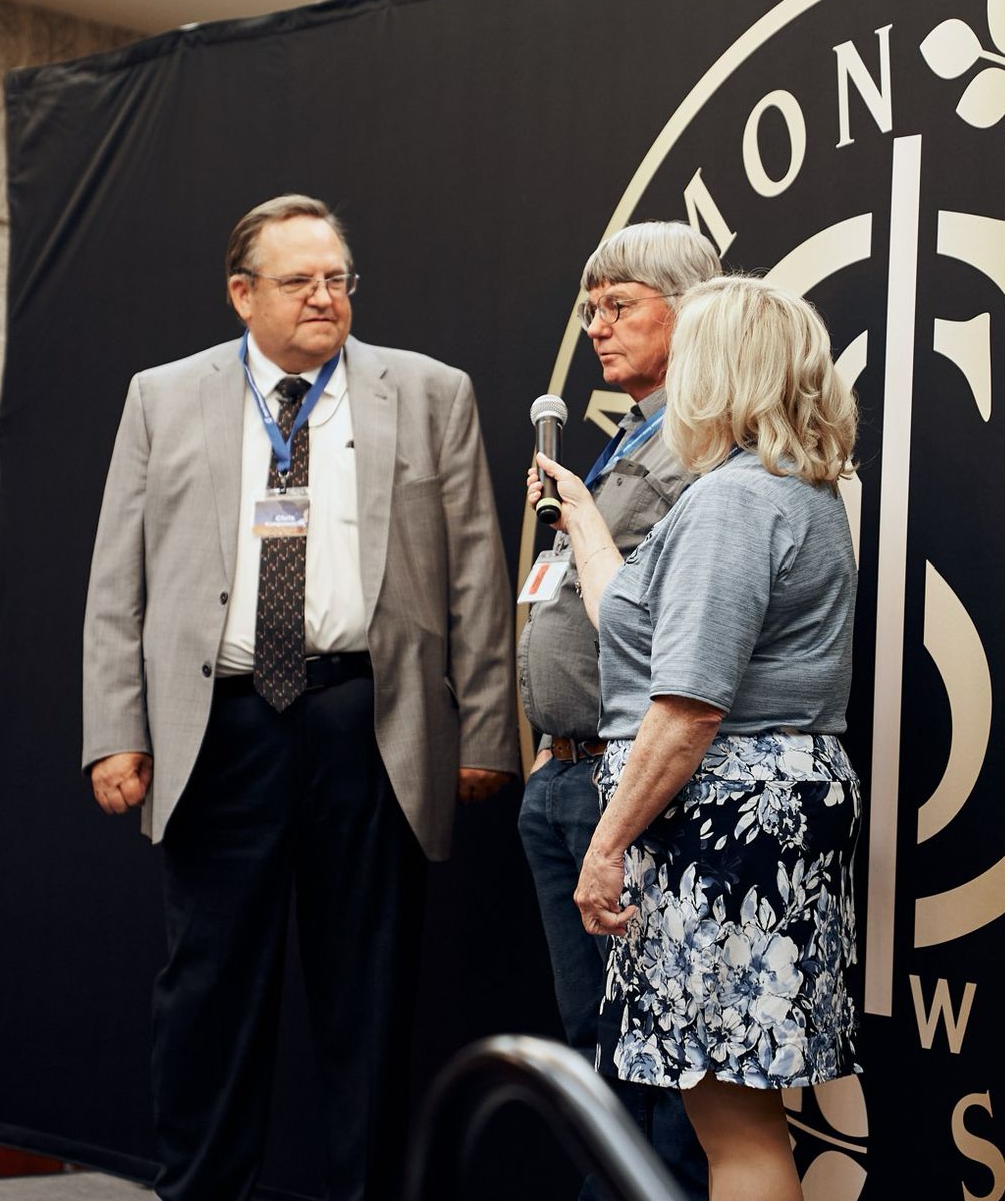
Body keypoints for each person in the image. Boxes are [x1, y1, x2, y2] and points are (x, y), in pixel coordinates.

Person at [81, 194, 520, 1201]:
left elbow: (477, 579)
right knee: (207, 999)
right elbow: (118, 585)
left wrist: (490, 728)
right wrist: (116, 729)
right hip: (219, 728)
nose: (325, 297)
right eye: (299, 281)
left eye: (338, 279)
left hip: (367, 722)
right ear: (242, 295)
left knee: (367, 998)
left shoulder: (427, 392)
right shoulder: (164, 396)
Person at [530, 275, 862, 1201]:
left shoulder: (733, 503)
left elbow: (687, 711)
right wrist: (585, 517)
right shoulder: (784, 490)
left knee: (734, 1129)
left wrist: (606, 847)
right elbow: (633, 621)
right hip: (762, 808)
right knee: (741, 1115)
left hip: (723, 815)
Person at [516, 222, 717, 1199]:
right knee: (596, 1054)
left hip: (631, 782)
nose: (596, 327)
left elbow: (670, 627)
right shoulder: (625, 437)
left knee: (659, 1058)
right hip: (564, 776)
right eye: (590, 309)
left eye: (619, 305)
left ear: (692, 309)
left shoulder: (711, 444)